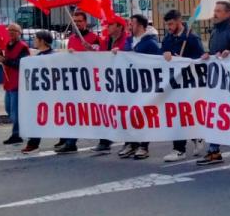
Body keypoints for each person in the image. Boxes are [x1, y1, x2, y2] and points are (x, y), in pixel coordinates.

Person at [197, 1, 230, 166]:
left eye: (218, 11)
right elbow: (213, 51)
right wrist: (207, 55)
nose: (215, 13)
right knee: (215, 114)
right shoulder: (215, 31)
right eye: (214, 10)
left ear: (228, 13)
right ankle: (213, 151)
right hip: (216, 82)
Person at [158, 9, 205, 161]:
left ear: (179, 21)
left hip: (189, 83)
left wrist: (183, 60)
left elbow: (199, 59)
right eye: (167, 25)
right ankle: (180, 147)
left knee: (186, 113)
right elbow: (160, 57)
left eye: (171, 24)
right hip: (174, 84)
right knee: (175, 114)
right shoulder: (168, 39)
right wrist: (164, 55)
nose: (169, 27)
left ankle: (191, 140)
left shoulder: (191, 38)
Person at [116, 14, 162, 160]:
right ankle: (131, 143)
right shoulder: (129, 41)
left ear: (141, 26)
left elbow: (158, 62)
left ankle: (144, 146)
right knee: (129, 113)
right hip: (130, 84)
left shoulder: (151, 43)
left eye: (132, 24)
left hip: (145, 85)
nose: (129, 26)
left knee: (143, 115)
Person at [22, 31, 77, 154]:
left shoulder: (53, 56)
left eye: (35, 38)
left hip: (53, 95)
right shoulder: (39, 56)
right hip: (45, 95)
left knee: (43, 117)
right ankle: (62, 140)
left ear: (42, 41)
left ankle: (34, 143)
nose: (34, 41)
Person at [68, 11, 112, 152]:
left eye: (80, 21)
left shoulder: (94, 38)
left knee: (98, 111)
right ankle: (70, 142)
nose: (77, 23)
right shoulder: (72, 39)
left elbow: (101, 56)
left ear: (85, 22)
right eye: (75, 21)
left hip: (93, 81)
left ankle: (105, 141)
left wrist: (90, 49)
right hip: (77, 81)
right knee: (75, 111)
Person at [0, 23, 30, 145]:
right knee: (8, 108)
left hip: (18, 83)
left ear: (19, 33)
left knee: (15, 112)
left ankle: (16, 134)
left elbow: (21, 64)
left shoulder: (23, 47)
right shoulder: (6, 45)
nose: (11, 32)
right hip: (8, 82)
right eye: (9, 30)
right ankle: (22, 128)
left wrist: (5, 61)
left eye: (14, 31)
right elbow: (4, 58)